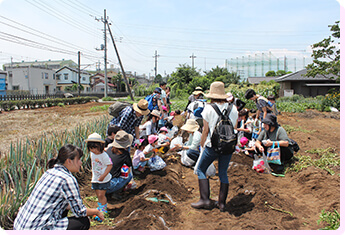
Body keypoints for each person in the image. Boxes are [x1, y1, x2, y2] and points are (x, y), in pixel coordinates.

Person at [13, 144, 104, 230]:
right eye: (79, 159)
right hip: (38, 228)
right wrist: (96, 211)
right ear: (69, 161)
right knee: (83, 222)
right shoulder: (67, 179)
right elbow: (80, 212)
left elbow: (59, 203)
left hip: (20, 226)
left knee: (63, 209)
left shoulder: (49, 172)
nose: (81, 163)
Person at [192, 81, 238, 212]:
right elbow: (234, 129)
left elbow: (205, 131)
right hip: (228, 145)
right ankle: (222, 204)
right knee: (223, 172)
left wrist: (202, 145)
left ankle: (205, 200)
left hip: (212, 146)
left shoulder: (208, 108)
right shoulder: (233, 109)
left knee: (201, 169)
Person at [85, 133, 113, 219]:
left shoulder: (104, 155)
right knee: (98, 194)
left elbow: (110, 165)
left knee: (101, 195)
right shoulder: (92, 153)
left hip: (104, 178)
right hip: (95, 178)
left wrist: (103, 176)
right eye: (91, 148)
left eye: (95, 148)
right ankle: (100, 207)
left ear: (100, 146)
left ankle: (103, 210)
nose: (93, 150)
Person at [106, 130, 134, 199]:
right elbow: (129, 169)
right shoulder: (125, 154)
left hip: (100, 184)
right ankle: (116, 192)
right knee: (129, 175)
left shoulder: (109, 149)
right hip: (110, 185)